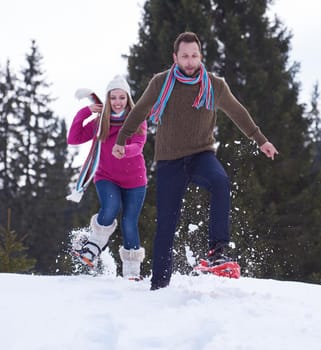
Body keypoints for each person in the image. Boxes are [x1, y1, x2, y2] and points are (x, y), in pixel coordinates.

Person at [112, 32, 278, 290]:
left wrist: (261, 140)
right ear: (175, 57)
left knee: (220, 181)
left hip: (202, 154)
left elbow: (237, 111)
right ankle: (159, 285)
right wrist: (122, 139)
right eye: (184, 56)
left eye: (194, 56)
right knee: (166, 222)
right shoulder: (160, 83)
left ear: (201, 56)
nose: (190, 62)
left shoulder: (214, 85)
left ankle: (217, 251)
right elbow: (140, 110)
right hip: (169, 161)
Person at [67, 75, 148, 281]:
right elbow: (73, 138)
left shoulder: (138, 120)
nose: (117, 102)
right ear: (108, 99)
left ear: (128, 99)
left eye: (122, 97)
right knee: (110, 208)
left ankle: (131, 272)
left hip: (135, 181)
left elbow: (138, 145)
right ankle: (92, 246)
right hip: (106, 177)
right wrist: (84, 112)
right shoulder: (100, 122)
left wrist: (125, 150)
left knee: (129, 222)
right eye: (113, 98)